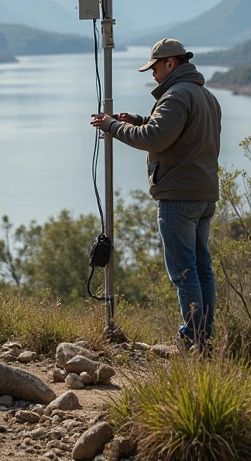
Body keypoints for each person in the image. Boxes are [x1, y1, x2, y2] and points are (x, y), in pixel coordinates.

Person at [90, 38, 221, 349]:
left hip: (179, 197)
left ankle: (193, 341)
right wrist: (138, 120)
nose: (153, 75)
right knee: (202, 268)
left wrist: (112, 127)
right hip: (205, 196)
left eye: (155, 68)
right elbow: (176, 132)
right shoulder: (205, 95)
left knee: (184, 272)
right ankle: (205, 336)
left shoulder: (176, 95)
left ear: (171, 64)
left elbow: (156, 138)